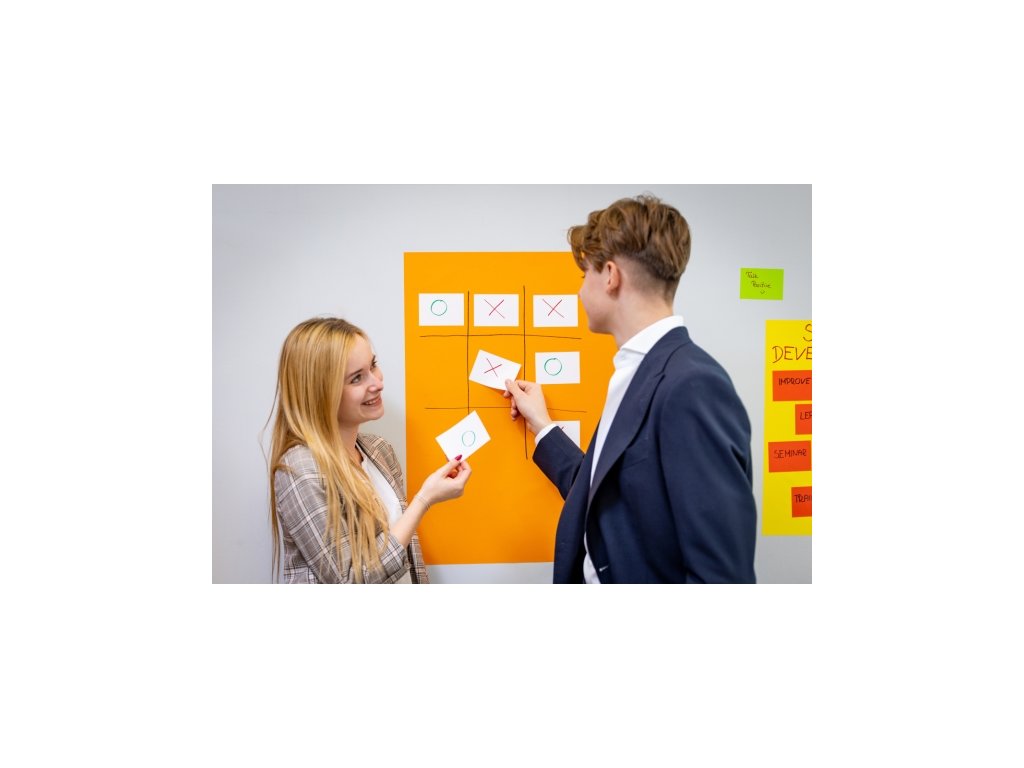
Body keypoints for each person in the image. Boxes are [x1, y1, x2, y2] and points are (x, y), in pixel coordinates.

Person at [504, 195, 757, 583]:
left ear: (610, 275)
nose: (579, 292)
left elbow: (721, 576)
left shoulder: (692, 385)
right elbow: (607, 499)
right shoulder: (639, 371)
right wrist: (542, 425)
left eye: (583, 276)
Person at [268, 317, 471, 583]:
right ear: (321, 393)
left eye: (373, 365)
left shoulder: (379, 450)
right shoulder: (299, 470)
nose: (377, 383)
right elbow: (350, 580)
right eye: (356, 378)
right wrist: (423, 501)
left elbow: (407, 554)